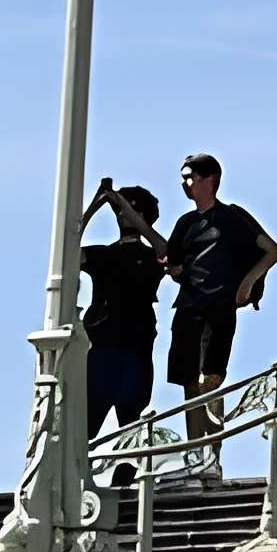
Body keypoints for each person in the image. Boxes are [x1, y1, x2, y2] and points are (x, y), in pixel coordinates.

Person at [164, 154, 277, 466]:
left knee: (211, 379)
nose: (184, 183)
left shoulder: (231, 217)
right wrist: (174, 271)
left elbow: (272, 251)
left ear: (209, 179)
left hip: (219, 306)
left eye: (190, 176)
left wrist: (247, 282)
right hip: (189, 306)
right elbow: (173, 262)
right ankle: (194, 455)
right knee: (189, 382)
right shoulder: (185, 223)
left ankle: (211, 455)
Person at [77, 181, 169, 439]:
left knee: (131, 428)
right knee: (84, 427)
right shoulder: (103, 255)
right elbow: (67, 248)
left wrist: (126, 207)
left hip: (136, 350)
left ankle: (126, 478)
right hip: (102, 348)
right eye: (122, 211)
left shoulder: (154, 256)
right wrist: (98, 202)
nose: (124, 215)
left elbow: (166, 251)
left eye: (133, 211)